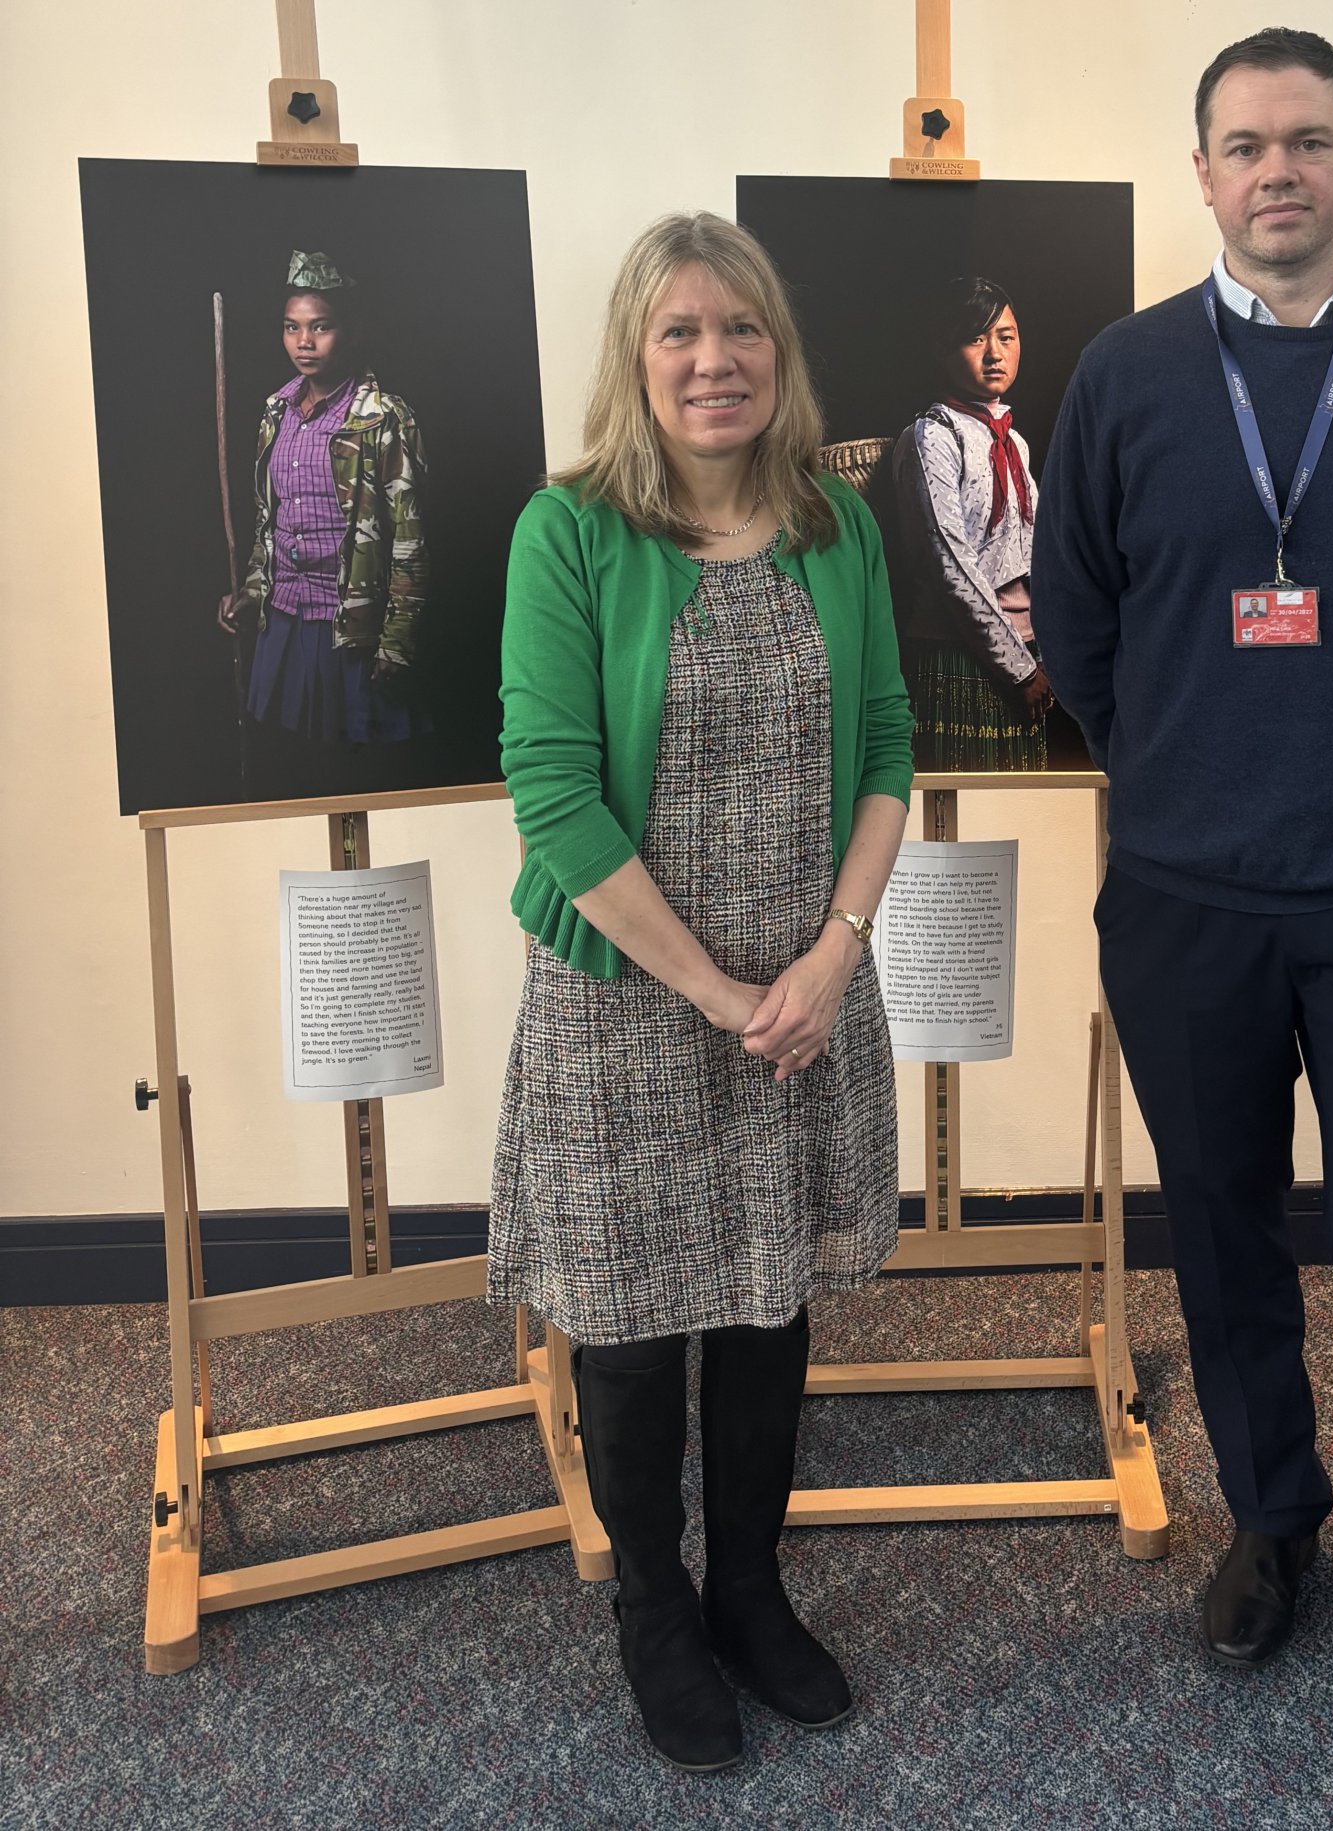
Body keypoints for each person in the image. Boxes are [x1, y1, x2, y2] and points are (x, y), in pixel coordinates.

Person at [1032, 29, 1333, 1738]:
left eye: (1306, 141)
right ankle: (1269, 1516)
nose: (1275, 173)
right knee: (1224, 1225)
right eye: (1242, 145)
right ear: (1200, 174)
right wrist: (1177, 762)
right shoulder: (1119, 375)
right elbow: (1076, 620)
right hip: (1185, 894)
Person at [488, 211, 913, 1774]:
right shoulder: (573, 528)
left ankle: (748, 1582)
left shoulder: (833, 525)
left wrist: (832, 954)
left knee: (766, 1296)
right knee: (625, 1314)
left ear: (777, 351)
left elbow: (884, 747)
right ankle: (653, 1608)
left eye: (741, 330)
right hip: (626, 993)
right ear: (636, 355)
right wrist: (719, 985)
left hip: (807, 993)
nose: (714, 360)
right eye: (679, 333)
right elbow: (551, 792)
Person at [217, 250, 427, 798]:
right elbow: (271, 524)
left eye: (320, 327)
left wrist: (396, 640)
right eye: (292, 328)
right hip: (284, 625)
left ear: (348, 331)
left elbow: (408, 538)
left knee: (357, 780)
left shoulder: (381, 416)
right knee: (291, 773)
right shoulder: (275, 413)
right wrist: (251, 592)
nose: (303, 342)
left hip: (350, 627)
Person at [886, 275, 1055, 769]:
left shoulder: (1014, 442)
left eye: (1006, 336)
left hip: (1028, 657)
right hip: (956, 654)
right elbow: (950, 563)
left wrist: (1043, 657)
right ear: (943, 348)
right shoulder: (931, 437)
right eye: (975, 338)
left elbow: (1038, 554)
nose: (994, 354)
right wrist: (1018, 670)